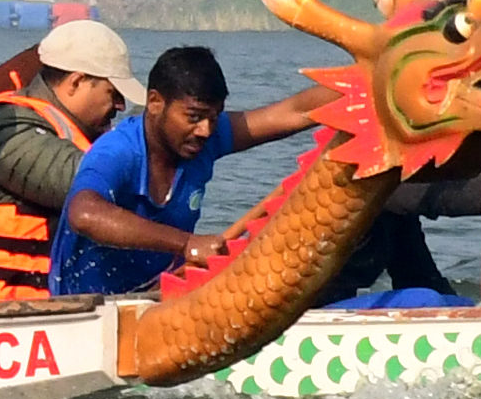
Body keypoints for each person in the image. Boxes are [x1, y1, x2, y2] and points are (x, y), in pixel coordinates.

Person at [49, 45, 335, 297]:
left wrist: (370, 79)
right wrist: (187, 243)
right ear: (155, 102)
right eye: (194, 117)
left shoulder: (206, 137)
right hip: (87, 308)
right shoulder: (118, 151)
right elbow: (84, 214)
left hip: (159, 301)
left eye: (214, 117)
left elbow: (294, 111)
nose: (205, 130)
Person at [0, 17, 134, 301]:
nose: (120, 105)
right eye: (113, 92)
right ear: (77, 82)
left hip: (49, 311)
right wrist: (155, 142)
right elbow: (84, 184)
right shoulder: (6, 128)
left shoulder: (75, 132)